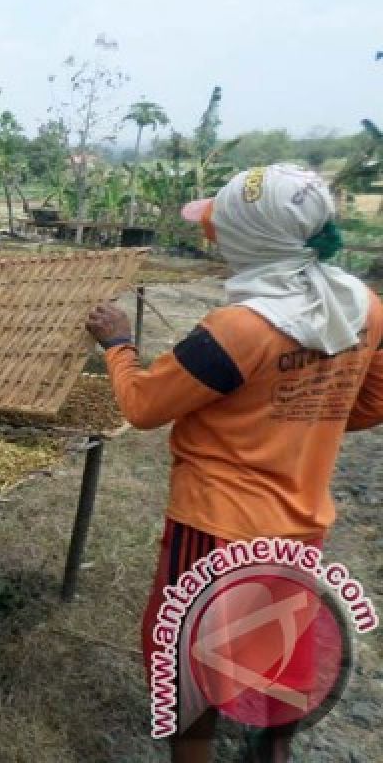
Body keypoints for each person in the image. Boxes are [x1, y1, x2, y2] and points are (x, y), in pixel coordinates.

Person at [84, 165, 383, 763]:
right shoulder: (364, 308)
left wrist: (118, 345)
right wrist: (299, 424)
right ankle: (272, 751)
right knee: (277, 639)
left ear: (252, 242)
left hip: (216, 527)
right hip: (301, 522)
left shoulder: (237, 329)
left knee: (189, 664)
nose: (211, 238)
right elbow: (373, 401)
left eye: (219, 229)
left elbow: (143, 406)